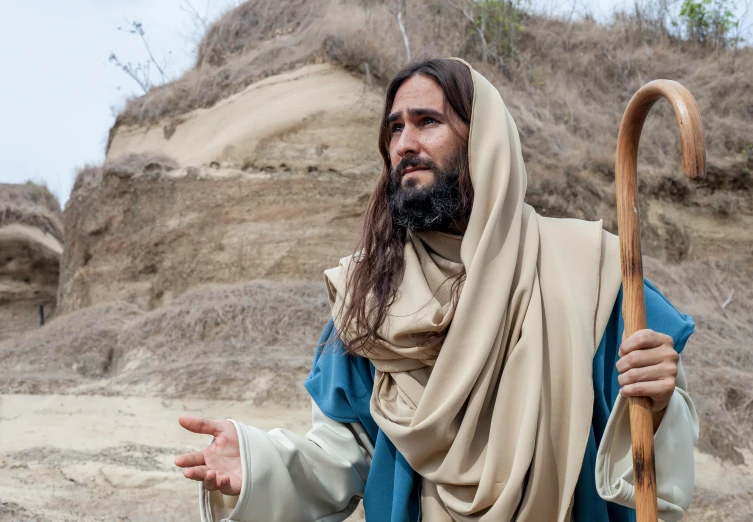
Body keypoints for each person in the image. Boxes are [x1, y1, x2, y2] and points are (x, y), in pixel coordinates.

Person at [174, 58, 698, 522]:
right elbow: (340, 458)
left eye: (428, 122)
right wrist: (260, 463)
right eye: (395, 128)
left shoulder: (591, 274)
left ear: (485, 142)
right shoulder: (370, 300)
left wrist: (657, 404)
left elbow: (645, 464)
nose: (405, 143)